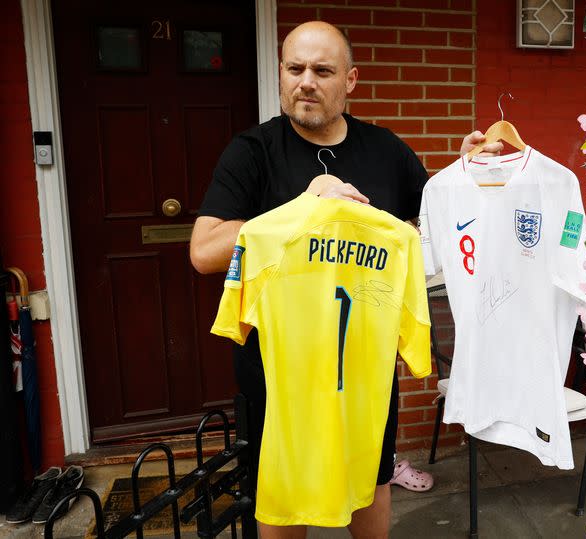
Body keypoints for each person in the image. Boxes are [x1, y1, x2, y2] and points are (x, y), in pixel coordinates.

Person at [190, 20, 501, 539]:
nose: (305, 81)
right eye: (294, 68)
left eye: (322, 70)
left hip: (364, 364)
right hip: (278, 369)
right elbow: (203, 251)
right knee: (283, 493)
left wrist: (464, 178)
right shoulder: (253, 151)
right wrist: (304, 206)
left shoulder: (385, 150)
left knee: (372, 478)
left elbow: (434, 227)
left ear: (351, 80)